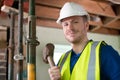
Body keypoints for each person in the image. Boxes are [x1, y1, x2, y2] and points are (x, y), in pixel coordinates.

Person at [48, 2, 120, 80]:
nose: (70, 28)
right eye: (66, 24)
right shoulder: (62, 60)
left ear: (86, 26)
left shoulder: (104, 52)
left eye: (75, 22)